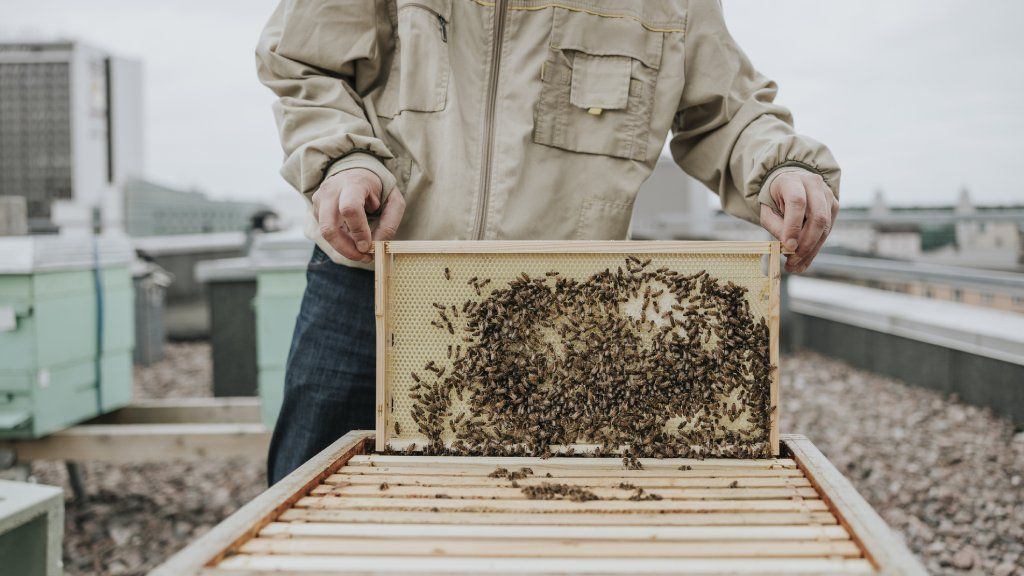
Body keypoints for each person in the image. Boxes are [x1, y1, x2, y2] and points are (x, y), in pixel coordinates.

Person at [256, 0, 841, 484]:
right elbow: (306, 63)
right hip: (371, 284)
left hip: (561, 317)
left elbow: (729, 112)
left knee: (537, 516)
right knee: (311, 503)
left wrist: (784, 166)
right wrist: (345, 160)